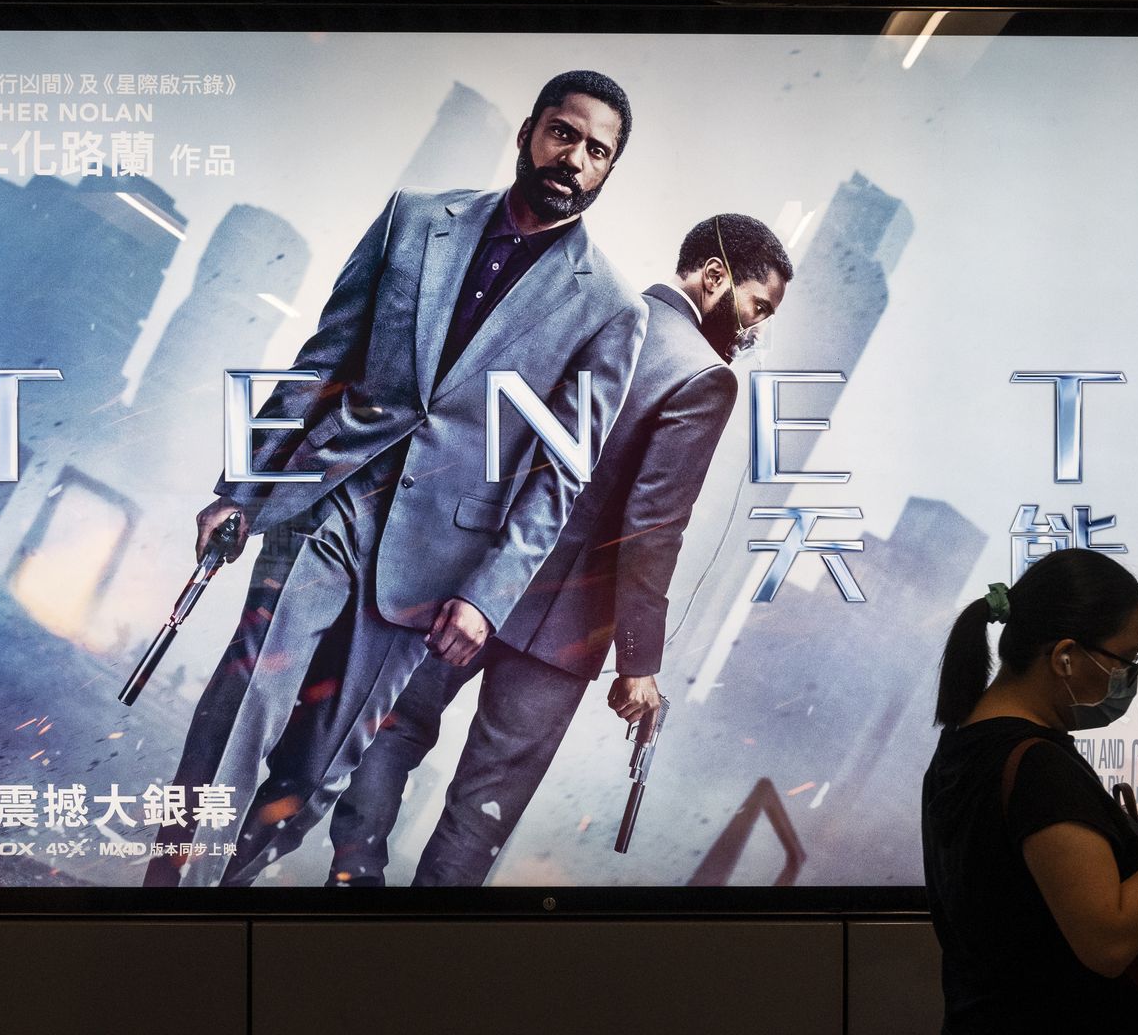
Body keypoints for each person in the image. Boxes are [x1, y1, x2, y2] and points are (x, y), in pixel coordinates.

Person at [144, 70, 649, 887]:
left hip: (436, 569)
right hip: (327, 500)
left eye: (597, 150)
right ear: (529, 132)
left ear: (607, 171)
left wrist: (486, 598)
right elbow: (321, 362)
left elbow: (560, 476)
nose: (575, 158)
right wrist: (240, 489)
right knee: (242, 713)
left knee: (315, 775)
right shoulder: (416, 220)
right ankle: (172, 906)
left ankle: (224, 894)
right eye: (564, 133)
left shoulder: (612, 310)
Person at [325, 213, 793, 886]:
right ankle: (423, 950)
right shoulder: (704, 377)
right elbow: (653, 527)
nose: (755, 329)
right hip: (562, 633)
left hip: (469, 580)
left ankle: (354, 885)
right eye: (758, 307)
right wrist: (638, 663)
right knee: (480, 812)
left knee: (393, 730)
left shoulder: (595, 312)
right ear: (715, 276)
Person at [921, 548, 1138, 1032]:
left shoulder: (963, 744)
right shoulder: (1037, 767)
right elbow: (1108, 942)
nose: (1129, 677)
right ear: (1065, 657)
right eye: (1126, 659)